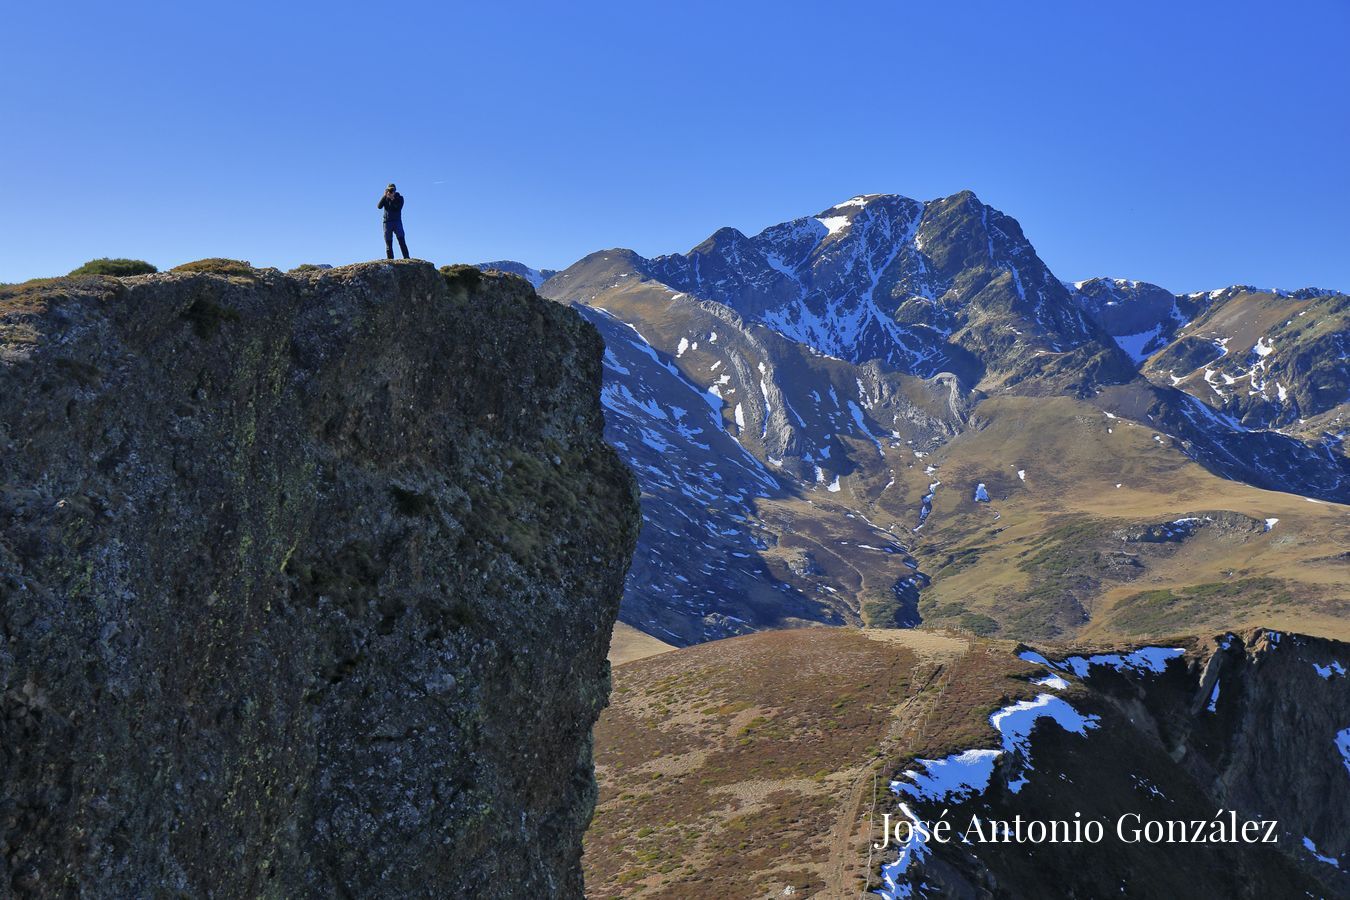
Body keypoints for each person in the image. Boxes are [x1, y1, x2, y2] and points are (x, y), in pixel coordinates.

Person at [378, 183, 410, 259]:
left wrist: (392, 199)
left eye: (393, 190)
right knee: (388, 243)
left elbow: (398, 208)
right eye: (390, 189)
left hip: (397, 221)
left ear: (395, 190)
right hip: (387, 222)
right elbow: (379, 206)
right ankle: (390, 260)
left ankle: (406, 258)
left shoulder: (400, 198)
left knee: (401, 240)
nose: (391, 191)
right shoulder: (385, 198)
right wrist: (384, 196)